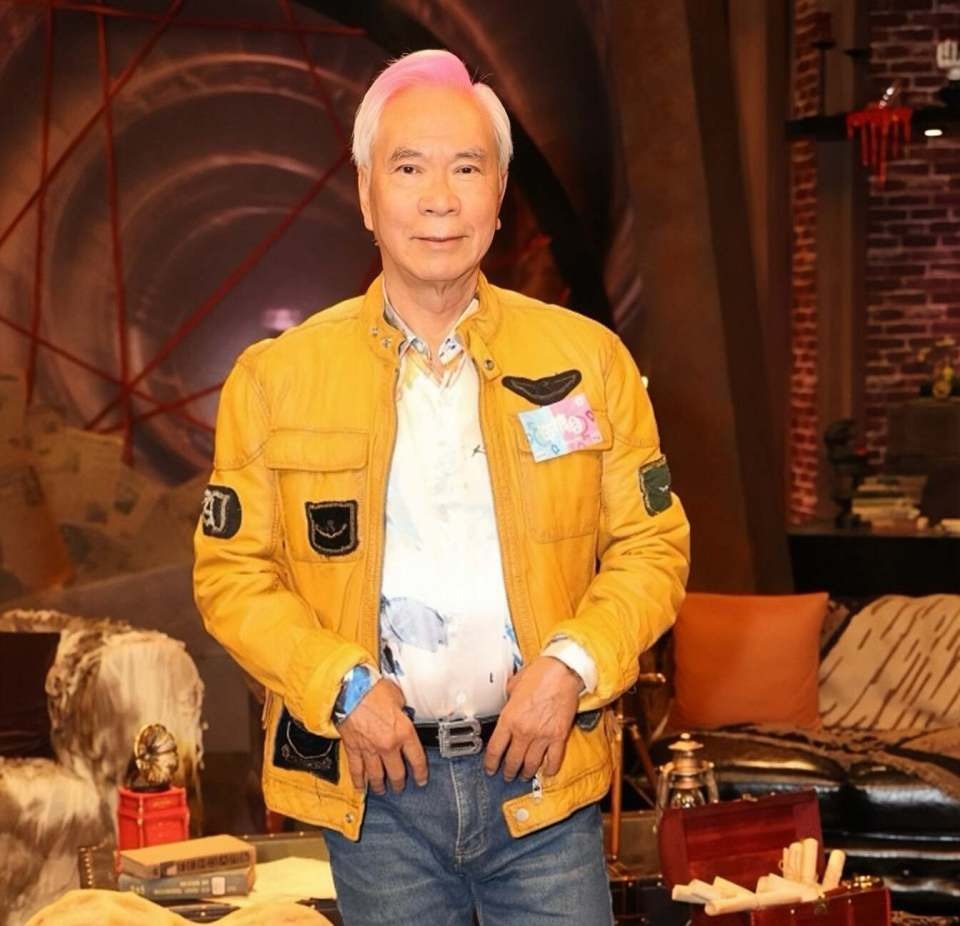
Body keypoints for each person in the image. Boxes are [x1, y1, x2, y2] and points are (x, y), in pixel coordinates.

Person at [194, 49, 690, 926]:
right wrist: (341, 686)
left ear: (499, 196)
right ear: (365, 195)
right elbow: (232, 575)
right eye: (408, 168)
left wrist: (570, 667)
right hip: (378, 790)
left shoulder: (587, 361)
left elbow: (651, 547)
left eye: (466, 168)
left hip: (543, 779)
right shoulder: (277, 378)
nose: (439, 198)